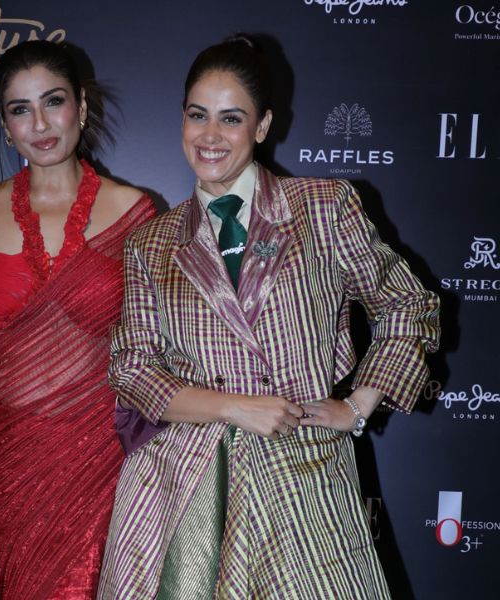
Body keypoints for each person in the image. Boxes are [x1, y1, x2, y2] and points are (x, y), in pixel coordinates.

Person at [98, 36, 441, 599]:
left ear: (262, 127)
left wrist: (357, 407)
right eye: (197, 115)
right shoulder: (152, 243)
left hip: (304, 480)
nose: (210, 135)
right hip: (188, 486)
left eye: (231, 119)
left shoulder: (322, 208)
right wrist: (234, 407)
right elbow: (132, 368)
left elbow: (408, 305)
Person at [0, 40, 155, 599]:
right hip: (2, 456)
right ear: (5, 124)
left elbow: (156, 350)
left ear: (81, 107)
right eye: (20, 109)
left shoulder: (135, 211)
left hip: (99, 459)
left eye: (53, 102)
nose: (39, 124)